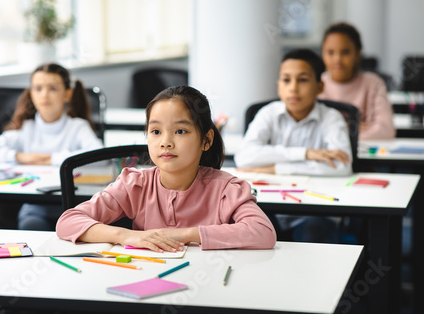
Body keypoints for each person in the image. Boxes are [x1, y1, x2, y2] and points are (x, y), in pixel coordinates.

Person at [56, 86, 276, 251]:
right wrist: (126, 236)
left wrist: (185, 235)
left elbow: (263, 232)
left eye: (180, 131)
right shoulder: (135, 184)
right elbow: (68, 221)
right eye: (156, 132)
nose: (165, 142)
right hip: (147, 279)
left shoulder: (225, 189)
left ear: (206, 140)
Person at [234, 49, 351, 243]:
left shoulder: (332, 118)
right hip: (271, 208)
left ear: (319, 86)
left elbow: (342, 166)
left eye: (303, 80)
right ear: (279, 85)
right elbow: (244, 157)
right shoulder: (268, 113)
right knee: (249, 230)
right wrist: (306, 154)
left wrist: (277, 168)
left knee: (312, 235)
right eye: (286, 80)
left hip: (315, 211)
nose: (293, 88)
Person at [0, 63, 103, 230]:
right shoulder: (25, 129)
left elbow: (99, 156)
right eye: (38, 88)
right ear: (31, 94)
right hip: (36, 207)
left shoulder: (77, 127)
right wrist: (20, 157)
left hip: (77, 207)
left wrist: (49, 158)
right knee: (30, 225)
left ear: (67, 94)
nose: (44, 94)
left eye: (52, 88)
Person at [319, 22, 395, 140]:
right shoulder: (315, 84)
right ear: (322, 54)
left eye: (345, 52)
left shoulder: (374, 84)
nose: (337, 59)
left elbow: (386, 130)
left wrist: (337, 134)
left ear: (358, 54)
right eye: (330, 52)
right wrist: (353, 129)